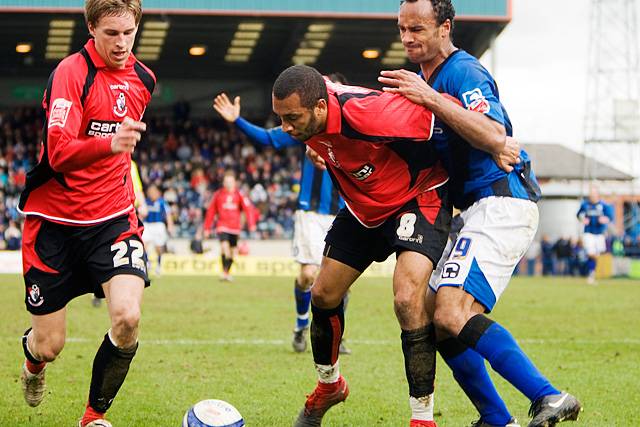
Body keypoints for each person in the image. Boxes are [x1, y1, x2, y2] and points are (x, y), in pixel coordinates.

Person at [377, 1, 582, 426]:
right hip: (471, 210)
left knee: (452, 311)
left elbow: (494, 135)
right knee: (435, 319)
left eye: (418, 28)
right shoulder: (421, 82)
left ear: (445, 28)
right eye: (402, 29)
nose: (408, 37)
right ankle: (495, 418)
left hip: (502, 201)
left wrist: (431, 99)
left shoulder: (462, 72)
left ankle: (550, 396)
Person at [273, 64, 452, 427]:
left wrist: (497, 145)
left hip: (417, 197)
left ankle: (422, 418)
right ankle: (329, 386)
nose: (286, 127)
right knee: (322, 294)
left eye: (292, 118)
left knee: (406, 297)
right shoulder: (310, 108)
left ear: (320, 108)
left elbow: (445, 116)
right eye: (281, 118)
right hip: (363, 207)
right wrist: (314, 145)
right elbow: (314, 91)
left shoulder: (368, 112)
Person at [16, 1, 155, 426]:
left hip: (113, 219)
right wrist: (110, 143)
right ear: (91, 27)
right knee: (51, 344)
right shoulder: (71, 73)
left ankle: (93, 416)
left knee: (128, 318)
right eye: (111, 33)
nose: (121, 42)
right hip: (55, 225)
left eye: (128, 32)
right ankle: (33, 358)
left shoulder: (144, 79)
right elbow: (58, 153)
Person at [212, 75, 352, 354]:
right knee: (307, 276)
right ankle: (302, 325)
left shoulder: (353, 129)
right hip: (310, 213)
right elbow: (267, 138)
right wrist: (237, 120)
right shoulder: (306, 130)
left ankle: (335, 336)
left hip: (344, 213)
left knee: (341, 282)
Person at [203, 171, 256, 281]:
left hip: (235, 228)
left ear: (234, 182)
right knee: (225, 248)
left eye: (230, 182)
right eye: (226, 182)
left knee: (232, 252)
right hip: (222, 226)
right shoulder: (218, 195)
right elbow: (211, 211)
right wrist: (207, 228)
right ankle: (225, 272)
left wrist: (251, 224)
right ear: (223, 183)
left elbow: (248, 209)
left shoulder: (239, 195)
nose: (228, 184)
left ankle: (226, 272)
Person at [577, 186, 614, 284]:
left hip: (599, 233)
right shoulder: (585, 205)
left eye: (593, 194)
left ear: (597, 195)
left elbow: (610, 217)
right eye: (590, 194)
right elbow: (578, 215)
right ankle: (594, 272)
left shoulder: (603, 205)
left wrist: (605, 219)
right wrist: (582, 219)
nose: (592, 196)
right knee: (590, 253)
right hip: (588, 232)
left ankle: (592, 273)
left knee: (597, 254)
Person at [142, 184, 174, 275]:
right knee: (144, 244)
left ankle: (159, 266)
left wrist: (170, 225)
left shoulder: (162, 202)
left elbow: (168, 214)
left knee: (159, 248)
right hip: (147, 225)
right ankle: (147, 262)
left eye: (153, 191)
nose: (151, 193)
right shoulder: (145, 202)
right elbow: (141, 214)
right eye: (149, 192)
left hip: (158, 226)